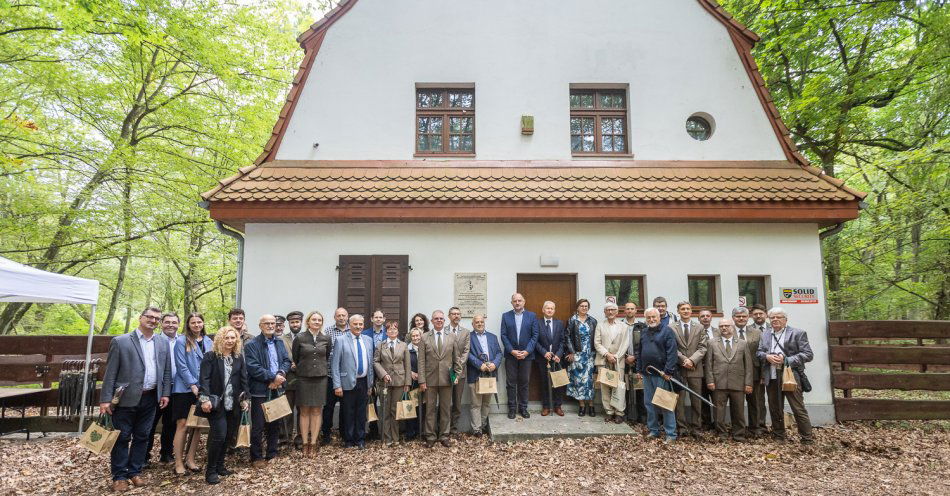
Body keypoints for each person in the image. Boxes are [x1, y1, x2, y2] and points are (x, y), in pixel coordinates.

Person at [100, 306, 173, 492]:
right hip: (124, 398)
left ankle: (135, 471)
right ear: (141, 318)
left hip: (151, 398)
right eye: (150, 317)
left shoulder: (162, 342)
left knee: (143, 436)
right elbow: (110, 373)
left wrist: (164, 393)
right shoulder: (121, 341)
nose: (153, 321)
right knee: (122, 437)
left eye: (157, 318)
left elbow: (165, 371)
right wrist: (105, 399)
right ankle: (119, 476)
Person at [196, 326, 249, 485]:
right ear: (220, 339)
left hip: (233, 403)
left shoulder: (238, 357)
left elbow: (243, 379)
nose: (230, 341)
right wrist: (204, 399)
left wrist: (246, 399)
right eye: (227, 338)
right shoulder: (210, 356)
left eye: (233, 338)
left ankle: (220, 466)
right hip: (215, 403)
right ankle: (210, 471)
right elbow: (204, 379)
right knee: (218, 436)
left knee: (227, 436)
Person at [758, 308, 814, 444]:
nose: (775, 320)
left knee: (797, 407)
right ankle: (778, 436)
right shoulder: (765, 334)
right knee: (775, 407)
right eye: (772, 318)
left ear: (785, 319)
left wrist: (786, 360)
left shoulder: (797, 333)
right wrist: (767, 357)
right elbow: (759, 352)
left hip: (790, 375)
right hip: (771, 375)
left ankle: (807, 438)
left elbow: (808, 354)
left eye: (779, 317)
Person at [244, 314, 291, 467]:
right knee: (258, 425)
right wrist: (272, 378)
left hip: (277, 388)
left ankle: (272, 452)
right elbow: (253, 367)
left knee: (274, 423)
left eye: (273, 323)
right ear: (260, 325)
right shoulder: (252, 344)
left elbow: (286, 361)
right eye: (267, 323)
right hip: (259, 390)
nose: (271, 326)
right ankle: (256, 457)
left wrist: (281, 375)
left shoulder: (279, 342)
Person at [171, 313, 212, 475]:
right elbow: (181, 366)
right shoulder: (181, 341)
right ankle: (178, 462)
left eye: (199, 322)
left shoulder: (209, 341)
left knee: (198, 425)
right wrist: (193, 385)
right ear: (188, 325)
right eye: (193, 322)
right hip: (185, 389)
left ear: (203, 323)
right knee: (183, 425)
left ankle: (190, 459)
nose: (196, 325)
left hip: (204, 389)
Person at [417, 310, 463, 447]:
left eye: (441, 319)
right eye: (436, 318)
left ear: (445, 321)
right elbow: (421, 361)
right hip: (429, 380)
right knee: (430, 409)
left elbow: (457, 359)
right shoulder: (424, 337)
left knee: (445, 409)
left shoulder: (452, 336)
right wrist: (422, 380)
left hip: (447, 379)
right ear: (431, 321)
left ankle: (444, 435)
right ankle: (430, 436)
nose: (439, 320)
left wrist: (457, 375)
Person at [704, 318, 753, 441]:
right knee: (719, 411)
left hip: (738, 383)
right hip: (718, 382)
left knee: (739, 411)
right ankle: (722, 434)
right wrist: (710, 380)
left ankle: (739, 434)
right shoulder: (712, 343)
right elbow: (708, 364)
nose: (724, 328)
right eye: (721, 326)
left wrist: (748, 383)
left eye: (727, 326)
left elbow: (748, 365)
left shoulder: (742, 343)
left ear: (733, 327)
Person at [331, 314, 375, 449]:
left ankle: (360, 439)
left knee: (361, 412)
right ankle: (349, 440)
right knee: (348, 412)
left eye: (361, 324)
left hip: (363, 382)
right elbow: (335, 364)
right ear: (349, 325)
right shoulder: (341, 340)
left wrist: (370, 384)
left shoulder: (368, 340)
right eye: (355, 324)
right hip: (347, 382)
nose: (358, 326)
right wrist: (337, 385)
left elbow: (370, 363)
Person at [635, 308, 678, 443]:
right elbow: (640, 352)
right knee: (649, 404)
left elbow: (672, 353)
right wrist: (639, 370)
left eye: (654, 317)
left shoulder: (668, 332)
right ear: (645, 319)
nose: (651, 320)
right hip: (647, 374)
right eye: (649, 318)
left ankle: (671, 434)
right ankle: (654, 430)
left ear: (659, 317)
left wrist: (668, 371)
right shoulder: (644, 332)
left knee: (665, 404)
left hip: (662, 375)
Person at [292, 311, 331, 456]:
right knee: (304, 411)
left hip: (320, 378)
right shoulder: (300, 338)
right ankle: (304, 443)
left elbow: (326, 356)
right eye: (314, 319)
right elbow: (296, 357)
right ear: (308, 322)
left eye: (319, 320)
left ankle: (313, 443)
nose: (317, 322)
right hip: (304, 378)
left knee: (316, 410)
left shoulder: (326, 338)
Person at [146, 312, 179, 468]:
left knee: (170, 424)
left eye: (174, 322)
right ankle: (145, 455)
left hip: (176, 388)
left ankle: (166, 453)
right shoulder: (155, 340)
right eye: (167, 322)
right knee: (150, 423)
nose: (170, 325)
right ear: (161, 324)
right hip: (157, 388)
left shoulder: (184, 340)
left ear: (178, 324)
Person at [499, 293, 539, 419]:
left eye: (519, 300)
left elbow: (535, 335)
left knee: (524, 382)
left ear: (524, 302)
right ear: (512, 303)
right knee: (511, 383)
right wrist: (512, 351)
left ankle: (523, 408)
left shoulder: (531, 316)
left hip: (527, 356)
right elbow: (503, 335)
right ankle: (511, 408)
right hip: (511, 356)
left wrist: (527, 351)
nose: (517, 303)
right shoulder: (506, 316)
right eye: (515, 301)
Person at [671, 301, 708, 439]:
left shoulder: (699, 327)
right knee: (679, 400)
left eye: (687, 309)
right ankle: (681, 427)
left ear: (691, 311)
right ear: (678, 311)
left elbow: (703, 347)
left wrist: (691, 360)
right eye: (682, 309)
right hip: (679, 369)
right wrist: (683, 360)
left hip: (695, 368)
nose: (685, 311)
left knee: (696, 399)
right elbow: (671, 347)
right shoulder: (671, 327)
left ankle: (696, 427)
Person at [373, 320, 411, 446]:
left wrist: (407, 383)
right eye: (389, 329)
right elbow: (376, 362)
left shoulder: (403, 345)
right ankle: (386, 438)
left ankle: (395, 438)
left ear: (398, 331)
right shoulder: (381, 345)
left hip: (400, 382)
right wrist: (383, 374)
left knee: (396, 410)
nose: (392, 331)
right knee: (385, 410)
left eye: (394, 329)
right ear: (386, 331)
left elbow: (407, 365)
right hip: (384, 383)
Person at [733, 306, 766, 437]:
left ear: (748, 318)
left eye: (744, 316)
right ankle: (738, 428)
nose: (741, 318)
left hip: (754, 373)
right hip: (734, 373)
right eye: (738, 316)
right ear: (733, 318)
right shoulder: (726, 331)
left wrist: (764, 374)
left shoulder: (757, 333)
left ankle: (755, 427)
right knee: (737, 402)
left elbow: (762, 354)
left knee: (755, 401)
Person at [594, 302, 629, 424]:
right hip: (604, 360)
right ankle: (609, 412)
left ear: (617, 312)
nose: (610, 312)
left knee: (618, 387)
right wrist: (607, 355)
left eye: (613, 309)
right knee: (605, 387)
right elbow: (597, 343)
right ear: (605, 312)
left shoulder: (624, 326)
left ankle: (619, 412)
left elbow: (625, 344)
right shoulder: (600, 325)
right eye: (608, 310)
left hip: (618, 361)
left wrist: (616, 356)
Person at [467, 314, 501, 436]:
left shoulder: (492, 337)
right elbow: (467, 354)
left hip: (490, 375)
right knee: (476, 404)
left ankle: (482, 425)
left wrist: (495, 364)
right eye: (477, 322)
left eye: (481, 321)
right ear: (473, 324)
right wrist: (479, 364)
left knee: (486, 403)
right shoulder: (468, 337)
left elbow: (498, 353)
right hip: (476, 374)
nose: (480, 324)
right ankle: (476, 429)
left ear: (484, 323)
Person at [320, 307, 349, 445]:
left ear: (347, 317)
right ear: (335, 317)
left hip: (347, 377)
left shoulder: (352, 331)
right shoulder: (328, 332)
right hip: (331, 375)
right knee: (328, 407)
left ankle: (344, 434)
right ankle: (326, 434)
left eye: (344, 315)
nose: (342, 318)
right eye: (339, 315)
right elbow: (325, 352)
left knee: (345, 407)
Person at [564, 299, 598, 417]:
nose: (584, 308)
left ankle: (592, 405)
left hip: (590, 355)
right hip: (578, 355)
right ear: (577, 307)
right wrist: (572, 352)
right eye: (582, 306)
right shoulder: (572, 320)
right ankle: (582, 405)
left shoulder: (593, 321)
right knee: (579, 381)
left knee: (590, 381)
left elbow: (597, 338)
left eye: (586, 306)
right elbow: (567, 337)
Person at [534, 301, 566, 417]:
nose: (549, 310)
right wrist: (544, 352)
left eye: (552, 308)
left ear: (554, 310)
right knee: (544, 383)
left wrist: (559, 354)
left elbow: (563, 341)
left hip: (557, 358)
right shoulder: (537, 323)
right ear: (543, 310)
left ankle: (558, 406)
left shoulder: (559, 323)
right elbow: (535, 341)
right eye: (547, 308)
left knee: (558, 382)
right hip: (543, 358)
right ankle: (546, 407)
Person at [281, 310, 304, 450]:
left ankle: (300, 438)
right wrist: (290, 365)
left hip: (303, 379)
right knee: (287, 410)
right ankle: (285, 437)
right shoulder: (282, 339)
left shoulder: (306, 337)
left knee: (302, 410)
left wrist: (300, 365)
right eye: (292, 322)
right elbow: (281, 356)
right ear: (288, 324)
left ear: (301, 323)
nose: (295, 324)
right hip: (288, 378)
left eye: (297, 322)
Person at [362, 310, 387, 441]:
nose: (378, 319)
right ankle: (373, 430)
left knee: (385, 402)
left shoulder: (389, 334)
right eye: (375, 317)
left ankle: (385, 430)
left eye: (380, 317)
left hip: (384, 373)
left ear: (384, 319)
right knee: (370, 402)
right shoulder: (364, 334)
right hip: (369, 373)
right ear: (371, 319)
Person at [446, 306, 471, 434]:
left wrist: (457, 368)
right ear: (449, 316)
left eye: (458, 314)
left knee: (457, 401)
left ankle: (453, 428)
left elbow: (466, 351)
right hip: (445, 372)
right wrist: (449, 367)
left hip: (460, 373)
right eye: (453, 314)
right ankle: (443, 428)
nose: (456, 316)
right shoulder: (443, 331)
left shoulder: (466, 332)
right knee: (445, 401)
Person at [622, 302, 647, 423]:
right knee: (625, 389)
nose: (630, 311)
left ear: (636, 311)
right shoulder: (620, 325)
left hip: (638, 362)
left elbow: (645, 345)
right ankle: (626, 415)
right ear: (624, 311)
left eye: (632, 309)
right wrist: (625, 356)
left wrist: (635, 357)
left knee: (640, 390)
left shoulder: (642, 326)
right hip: (623, 361)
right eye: (627, 309)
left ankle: (642, 416)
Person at [402, 328, 424, 440]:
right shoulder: (406, 349)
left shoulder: (425, 348)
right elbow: (401, 363)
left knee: (423, 407)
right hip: (411, 382)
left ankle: (422, 431)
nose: (415, 338)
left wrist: (422, 376)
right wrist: (410, 373)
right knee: (411, 407)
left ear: (421, 336)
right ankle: (410, 432)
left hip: (423, 382)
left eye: (417, 336)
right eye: (413, 336)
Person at [697, 308, 716, 430]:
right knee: (702, 397)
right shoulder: (696, 331)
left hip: (716, 370)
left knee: (717, 397)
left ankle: (718, 422)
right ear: (698, 318)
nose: (705, 318)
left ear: (711, 318)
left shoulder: (719, 331)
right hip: (701, 368)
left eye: (707, 316)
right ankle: (706, 423)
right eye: (702, 316)